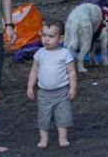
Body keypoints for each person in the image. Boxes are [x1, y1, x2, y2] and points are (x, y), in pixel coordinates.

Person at [28, 21, 78, 149]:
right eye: (44, 35)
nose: (46, 39)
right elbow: (34, 71)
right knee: (43, 116)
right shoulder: (40, 53)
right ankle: (43, 139)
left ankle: (63, 137)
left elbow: (71, 71)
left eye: (51, 36)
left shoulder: (64, 53)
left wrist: (73, 87)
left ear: (61, 38)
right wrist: (30, 86)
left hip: (62, 91)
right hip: (44, 92)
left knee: (63, 115)